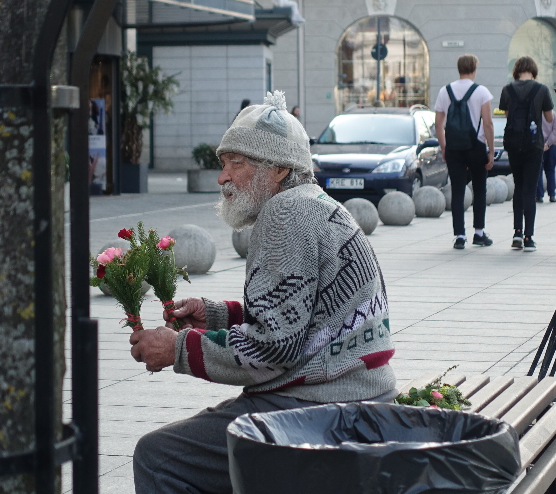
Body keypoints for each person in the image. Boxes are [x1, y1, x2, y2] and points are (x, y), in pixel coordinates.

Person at [129, 90, 397, 494]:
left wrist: (178, 348)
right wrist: (216, 315)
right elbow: (301, 313)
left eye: (237, 163)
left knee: (158, 456)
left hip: (323, 412)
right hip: (360, 401)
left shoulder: (285, 213)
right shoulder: (318, 205)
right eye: (223, 163)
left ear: (277, 170)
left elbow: (274, 349)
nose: (223, 177)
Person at [434, 54, 495, 250]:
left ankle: (459, 236)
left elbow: (438, 123)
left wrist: (444, 147)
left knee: (458, 190)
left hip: (454, 147)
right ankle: (479, 233)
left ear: (458, 68)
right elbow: (488, 123)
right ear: (474, 69)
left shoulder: (445, 91)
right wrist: (491, 150)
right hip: (476, 146)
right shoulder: (482, 92)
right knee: (479, 189)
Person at [499, 56, 555, 252]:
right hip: (534, 145)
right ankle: (529, 237)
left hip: (513, 144)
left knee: (518, 186)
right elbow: (549, 117)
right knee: (530, 189)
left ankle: (516, 232)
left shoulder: (507, 89)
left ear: (516, 70)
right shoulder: (542, 90)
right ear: (533, 70)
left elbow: (507, 115)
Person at [537, 92, 556, 203]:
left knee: (538, 171)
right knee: (550, 170)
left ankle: (539, 195)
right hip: (551, 146)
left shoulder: (536, 114)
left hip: (539, 146)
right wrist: (548, 143)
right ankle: (552, 194)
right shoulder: (553, 114)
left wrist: (543, 144)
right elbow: (555, 132)